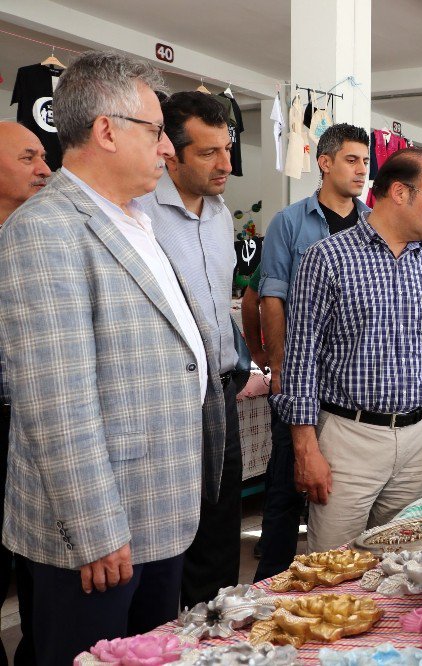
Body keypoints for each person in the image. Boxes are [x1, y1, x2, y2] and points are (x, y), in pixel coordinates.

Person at [0, 51, 226, 665]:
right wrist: (98, 529)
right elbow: (55, 399)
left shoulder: (133, 220)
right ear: (106, 130)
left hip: (157, 508)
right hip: (100, 532)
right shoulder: (45, 230)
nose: (166, 151)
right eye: (156, 133)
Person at [274, 148, 422, 553]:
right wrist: (305, 448)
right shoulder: (327, 259)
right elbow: (300, 360)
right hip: (348, 439)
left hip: (417, 439)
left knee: (403, 561)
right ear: (400, 193)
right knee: (335, 565)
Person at [255, 123, 371, 581]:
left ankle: (337, 580)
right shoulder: (290, 222)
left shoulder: (373, 224)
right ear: (324, 163)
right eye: (351, 160)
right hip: (301, 375)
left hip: (351, 382)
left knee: (341, 488)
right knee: (286, 484)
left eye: (366, 161)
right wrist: (280, 365)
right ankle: (271, 582)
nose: (362, 170)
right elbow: (271, 298)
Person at [140, 91, 243, 608]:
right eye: (208, 153)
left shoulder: (222, 215)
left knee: (220, 530)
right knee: (169, 535)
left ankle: (216, 638)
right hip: (171, 398)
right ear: (170, 154)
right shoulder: (140, 214)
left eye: (226, 149)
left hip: (221, 391)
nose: (226, 163)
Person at [0, 120, 50, 666]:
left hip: (35, 423)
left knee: (42, 568)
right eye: (27, 159)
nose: (44, 169)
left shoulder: (47, 237)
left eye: (44, 157)